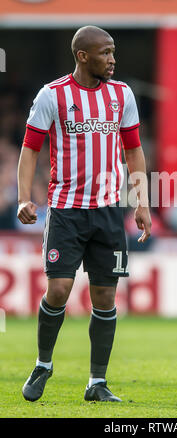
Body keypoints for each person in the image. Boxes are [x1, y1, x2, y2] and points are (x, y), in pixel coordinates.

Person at [17, 26, 151, 403]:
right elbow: (30, 149)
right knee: (58, 289)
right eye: (106, 52)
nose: (113, 59)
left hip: (109, 212)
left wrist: (141, 202)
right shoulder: (52, 95)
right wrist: (24, 198)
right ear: (83, 56)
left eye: (113, 52)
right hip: (66, 211)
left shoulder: (122, 95)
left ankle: (97, 383)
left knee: (106, 297)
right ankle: (44, 364)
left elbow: (134, 150)